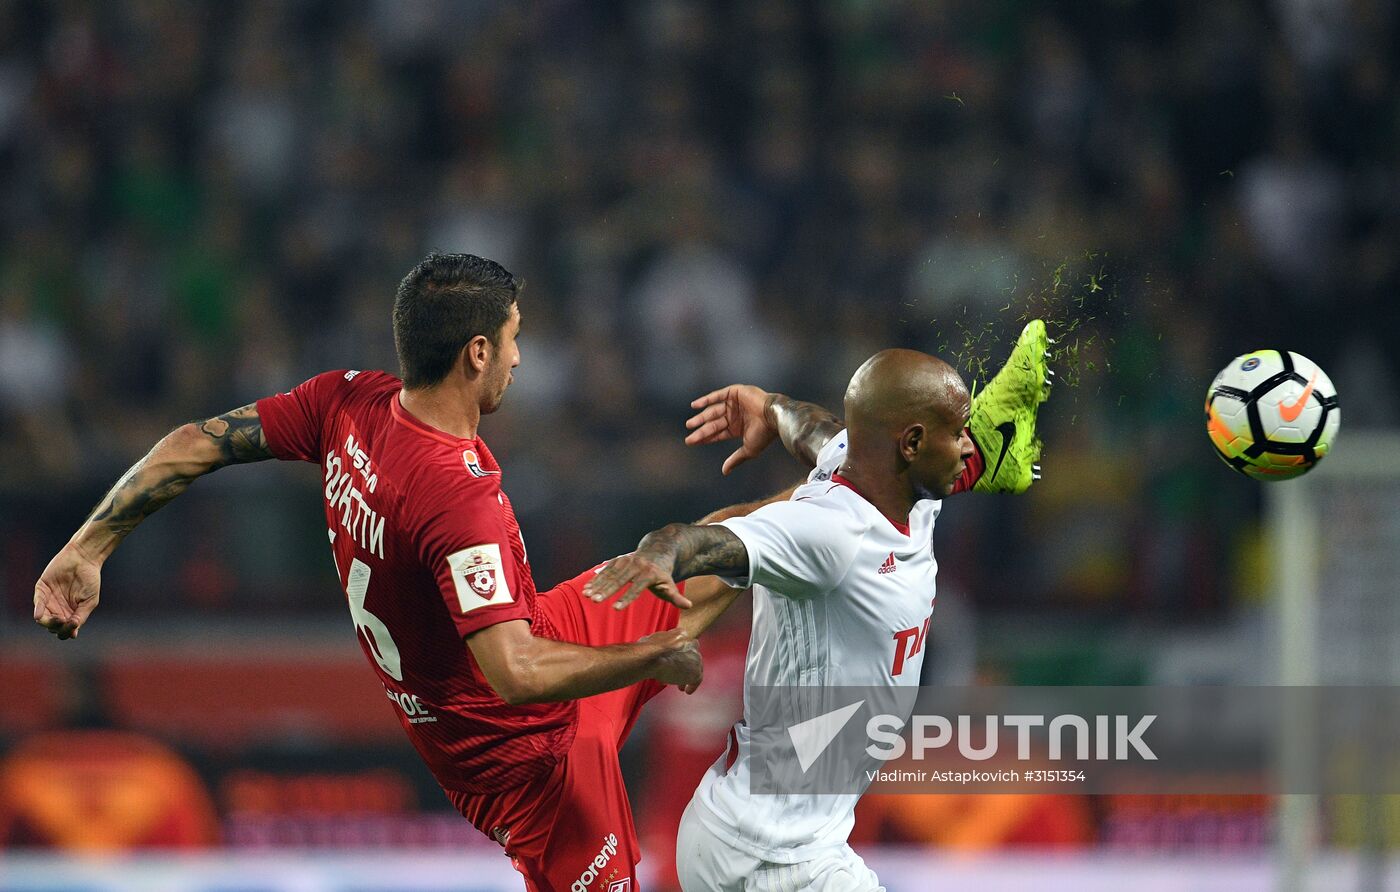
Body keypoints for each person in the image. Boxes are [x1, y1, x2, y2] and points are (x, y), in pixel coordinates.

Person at [30, 252, 749, 891]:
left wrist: (88, 548)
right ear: (476, 352)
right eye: (513, 338)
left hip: (541, 635)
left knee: (717, 551)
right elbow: (515, 674)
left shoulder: (346, 403)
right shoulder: (454, 497)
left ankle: (840, 483)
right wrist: (653, 655)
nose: (519, 358)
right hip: (525, 762)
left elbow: (196, 442)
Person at [584, 322, 1051, 891]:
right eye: (957, 435)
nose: (962, 446)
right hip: (768, 853)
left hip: (776, 831)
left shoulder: (901, 490)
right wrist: (661, 556)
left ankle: (993, 450)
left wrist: (770, 406)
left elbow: (818, 431)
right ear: (909, 444)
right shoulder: (827, 531)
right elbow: (705, 541)